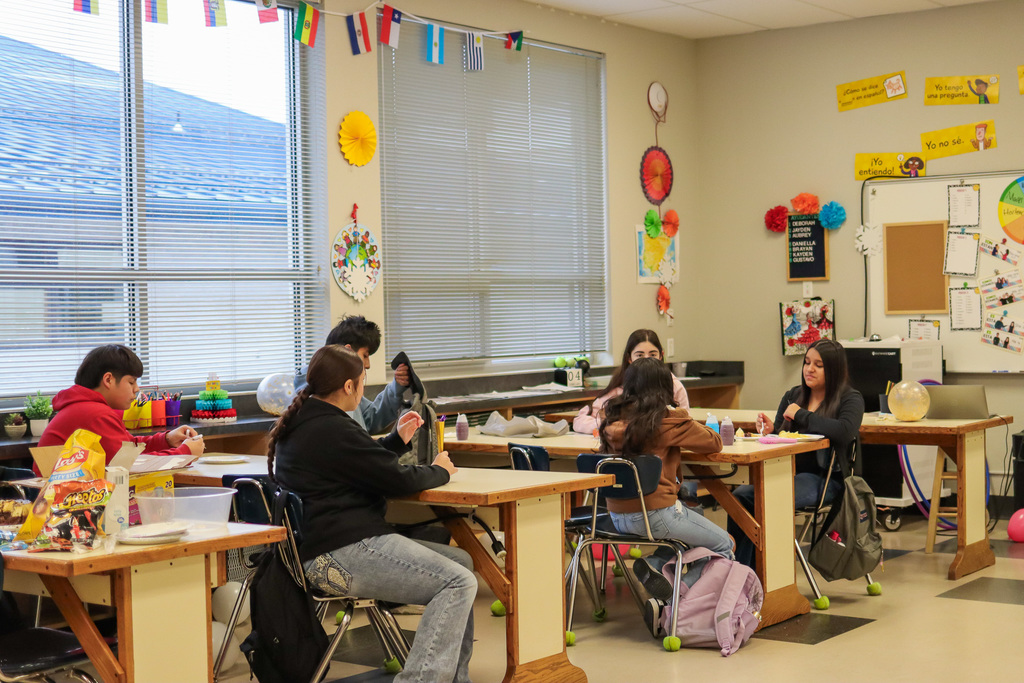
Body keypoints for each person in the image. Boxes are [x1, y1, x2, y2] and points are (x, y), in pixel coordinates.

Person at [271, 345, 475, 683]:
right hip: (340, 553)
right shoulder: (332, 427)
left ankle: (455, 678)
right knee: (458, 581)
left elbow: (358, 462)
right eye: (363, 381)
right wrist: (441, 470)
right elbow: (395, 479)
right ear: (349, 386)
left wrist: (396, 440)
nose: (363, 389)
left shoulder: (308, 420)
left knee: (462, 563)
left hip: (320, 550)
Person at [598, 358, 733, 634]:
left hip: (615, 515)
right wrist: (680, 414)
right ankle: (676, 602)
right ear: (664, 388)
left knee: (694, 515)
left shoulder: (612, 421)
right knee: (723, 545)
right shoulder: (668, 421)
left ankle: (656, 563)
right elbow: (714, 441)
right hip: (655, 513)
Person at [730, 339, 864, 568]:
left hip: (827, 479)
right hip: (785, 472)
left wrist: (802, 415)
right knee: (740, 496)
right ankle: (739, 568)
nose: (809, 369)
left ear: (834, 369)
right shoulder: (793, 395)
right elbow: (782, 434)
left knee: (764, 499)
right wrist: (771, 431)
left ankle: (747, 571)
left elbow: (843, 431)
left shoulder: (850, 398)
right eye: (807, 362)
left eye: (818, 365)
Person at [37, 344, 204, 467]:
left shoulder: (85, 407)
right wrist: (185, 453)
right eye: (131, 382)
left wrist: (166, 440)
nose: (137, 389)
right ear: (108, 380)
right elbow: (130, 465)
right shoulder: (95, 413)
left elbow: (127, 448)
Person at [297, 315, 412, 434]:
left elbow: (369, 420)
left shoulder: (345, 386)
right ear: (348, 351)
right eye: (365, 355)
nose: (367, 365)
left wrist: (396, 387)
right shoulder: (325, 395)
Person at [573, 329, 689, 435]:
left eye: (652, 355)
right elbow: (582, 420)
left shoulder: (674, 385)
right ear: (629, 358)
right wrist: (612, 426)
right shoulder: (619, 386)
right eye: (639, 355)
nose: (646, 360)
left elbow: (685, 422)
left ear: (661, 356)